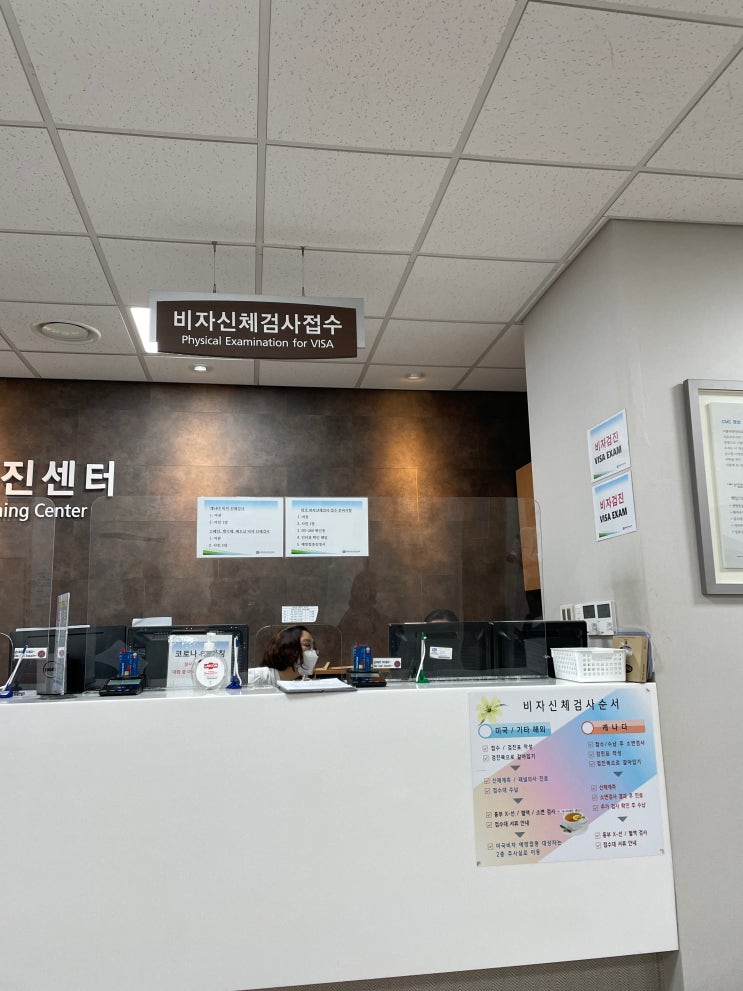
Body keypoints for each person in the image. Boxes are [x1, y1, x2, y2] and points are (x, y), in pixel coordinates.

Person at [247, 625, 319, 687]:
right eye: (307, 645)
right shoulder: (254, 678)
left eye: (314, 647)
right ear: (287, 648)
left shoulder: (295, 683)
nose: (313, 652)